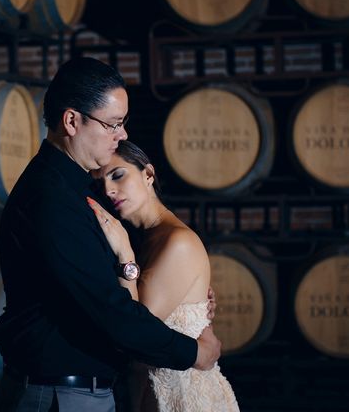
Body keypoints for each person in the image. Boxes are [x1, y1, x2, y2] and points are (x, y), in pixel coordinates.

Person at [0, 57, 221, 412]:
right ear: (72, 120)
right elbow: (114, 314)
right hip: (57, 395)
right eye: (113, 124)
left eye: (123, 123)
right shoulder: (53, 200)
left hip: (73, 391)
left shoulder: (78, 188)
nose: (123, 135)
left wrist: (188, 304)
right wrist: (195, 353)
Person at [87, 140, 239, 412]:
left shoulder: (176, 241)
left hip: (183, 398)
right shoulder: (147, 238)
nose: (108, 190)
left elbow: (136, 326)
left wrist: (125, 255)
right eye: (100, 185)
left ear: (148, 174)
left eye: (118, 175)